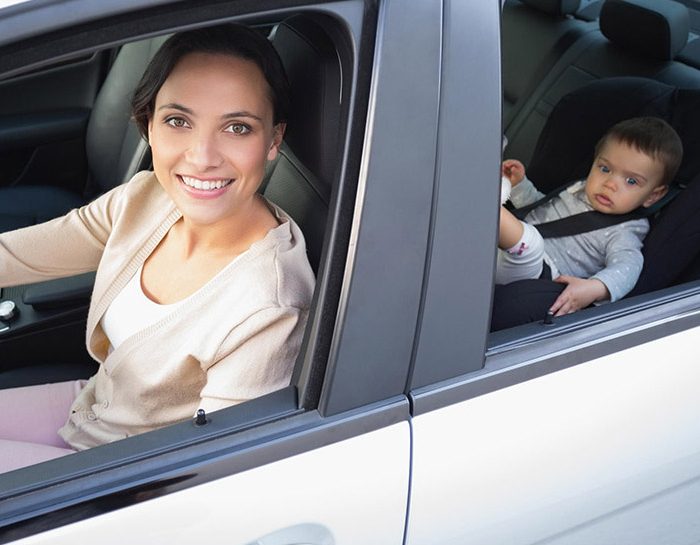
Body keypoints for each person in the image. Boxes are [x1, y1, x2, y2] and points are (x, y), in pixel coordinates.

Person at [0, 24, 315, 472]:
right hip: (90, 406)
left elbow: (208, 469)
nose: (203, 155)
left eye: (237, 127)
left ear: (274, 141)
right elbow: (17, 255)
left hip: (120, 475)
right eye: (178, 121)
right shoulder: (147, 198)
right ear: (148, 124)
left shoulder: (270, 305)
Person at [497, 117, 682, 316]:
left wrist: (595, 288)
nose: (610, 183)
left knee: (528, 241)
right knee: (522, 233)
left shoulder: (626, 230)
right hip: (510, 251)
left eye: (631, 181)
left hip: (539, 272)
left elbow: (628, 267)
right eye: (605, 169)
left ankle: (483, 204)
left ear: (653, 196)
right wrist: (520, 186)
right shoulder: (580, 190)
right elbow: (543, 215)